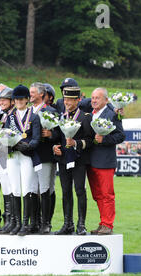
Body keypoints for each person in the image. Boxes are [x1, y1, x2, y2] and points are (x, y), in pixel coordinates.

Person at [52, 86, 94, 235]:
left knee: (80, 190)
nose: (67, 102)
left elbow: (90, 140)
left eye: (70, 99)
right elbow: (57, 138)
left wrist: (76, 143)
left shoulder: (85, 117)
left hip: (79, 160)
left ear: (78, 100)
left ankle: (81, 224)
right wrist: (54, 147)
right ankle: (67, 224)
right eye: (65, 99)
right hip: (63, 160)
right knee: (65, 191)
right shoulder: (61, 117)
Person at [4, 84, 41, 235]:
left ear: (27, 99)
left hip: (26, 156)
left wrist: (27, 146)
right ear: (14, 100)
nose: (19, 101)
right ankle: (17, 223)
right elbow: (4, 135)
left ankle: (26, 224)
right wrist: (11, 145)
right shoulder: (10, 117)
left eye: (22, 98)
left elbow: (37, 138)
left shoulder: (33, 117)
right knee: (15, 189)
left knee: (26, 188)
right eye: (17, 99)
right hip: (13, 156)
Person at [87, 88, 125, 235]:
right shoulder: (90, 113)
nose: (94, 100)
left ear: (106, 100)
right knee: (97, 195)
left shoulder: (112, 113)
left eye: (97, 98)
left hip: (105, 161)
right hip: (90, 160)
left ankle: (108, 224)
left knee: (107, 194)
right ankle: (103, 223)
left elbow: (121, 136)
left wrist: (104, 139)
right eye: (92, 97)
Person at [30, 82, 58, 234]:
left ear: (41, 94)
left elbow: (59, 133)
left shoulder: (50, 111)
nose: (30, 95)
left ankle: (46, 222)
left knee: (45, 188)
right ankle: (34, 222)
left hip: (45, 155)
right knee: (33, 189)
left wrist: (51, 134)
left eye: (33, 92)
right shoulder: (27, 111)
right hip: (30, 155)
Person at [0, 87, 15, 234]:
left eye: (4, 99)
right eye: (0, 99)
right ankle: (8, 219)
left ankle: (13, 220)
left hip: (11, 156)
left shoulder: (13, 116)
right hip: (1, 155)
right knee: (6, 189)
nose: (1, 102)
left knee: (13, 189)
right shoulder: (3, 115)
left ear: (12, 101)